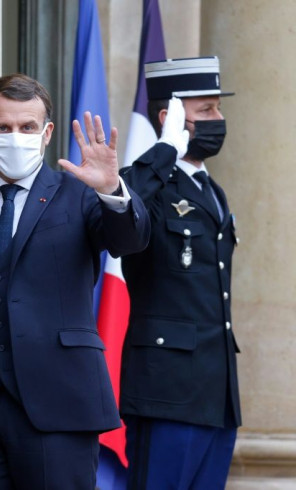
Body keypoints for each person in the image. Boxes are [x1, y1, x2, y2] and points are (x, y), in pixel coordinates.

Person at [0, 73, 150, 489]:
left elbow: (130, 240)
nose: (15, 137)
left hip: (59, 412)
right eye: (3, 128)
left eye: (27, 127)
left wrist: (112, 189)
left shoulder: (81, 194)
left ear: (47, 133)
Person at [119, 56, 240, 489]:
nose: (217, 119)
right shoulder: (150, 185)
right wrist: (163, 151)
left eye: (218, 109)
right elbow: (119, 209)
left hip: (215, 390)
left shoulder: (210, 189)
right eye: (205, 111)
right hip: (166, 392)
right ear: (169, 119)